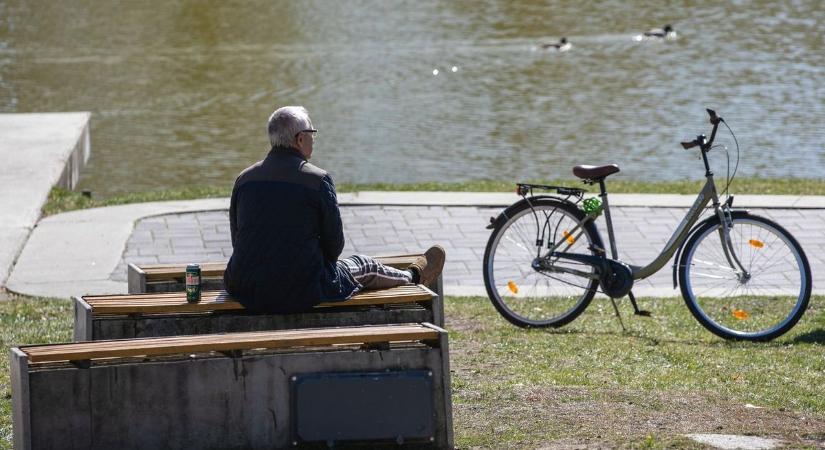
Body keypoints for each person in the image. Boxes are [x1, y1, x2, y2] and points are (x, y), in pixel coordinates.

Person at [223, 106, 445, 313]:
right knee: (363, 265)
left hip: (247, 288)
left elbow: (237, 240)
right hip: (304, 290)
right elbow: (334, 247)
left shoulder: (244, 180)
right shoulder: (317, 179)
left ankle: (411, 274)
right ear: (300, 139)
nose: (314, 138)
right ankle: (413, 275)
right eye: (312, 132)